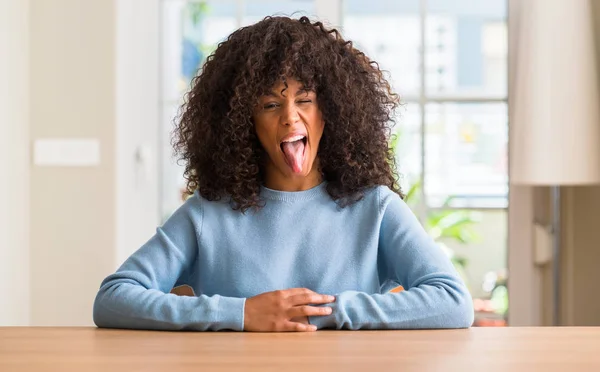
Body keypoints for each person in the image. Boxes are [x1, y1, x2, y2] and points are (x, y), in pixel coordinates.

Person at [93, 16, 474, 332]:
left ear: (331, 112)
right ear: (244, 123)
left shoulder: (375, 208)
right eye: (271, 104)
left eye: (305, 100)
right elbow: (113, 298)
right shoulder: (208, 213)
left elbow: (453, 302)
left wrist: (331, 312)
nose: (291, 116)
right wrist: (240, 314)